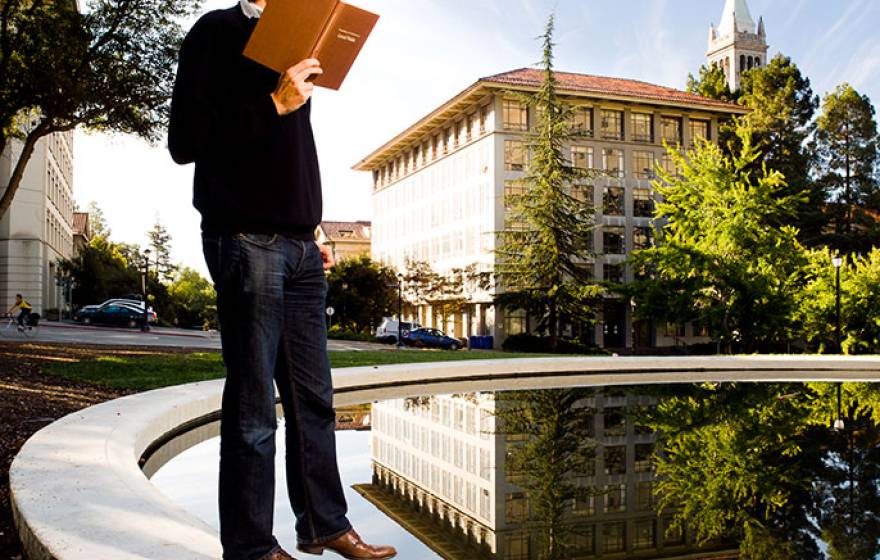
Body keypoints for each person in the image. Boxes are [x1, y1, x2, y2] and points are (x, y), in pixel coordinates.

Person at [168, 2, 396, 560]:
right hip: (245, 240)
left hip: (299, 247)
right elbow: (184, 142)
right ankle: (250, 547)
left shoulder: (298, 40)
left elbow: (287, 153)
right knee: (252, 408)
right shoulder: (215, 32)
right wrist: (274, 101)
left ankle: (323, 524)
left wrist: (312, 228)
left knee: (314, 401)